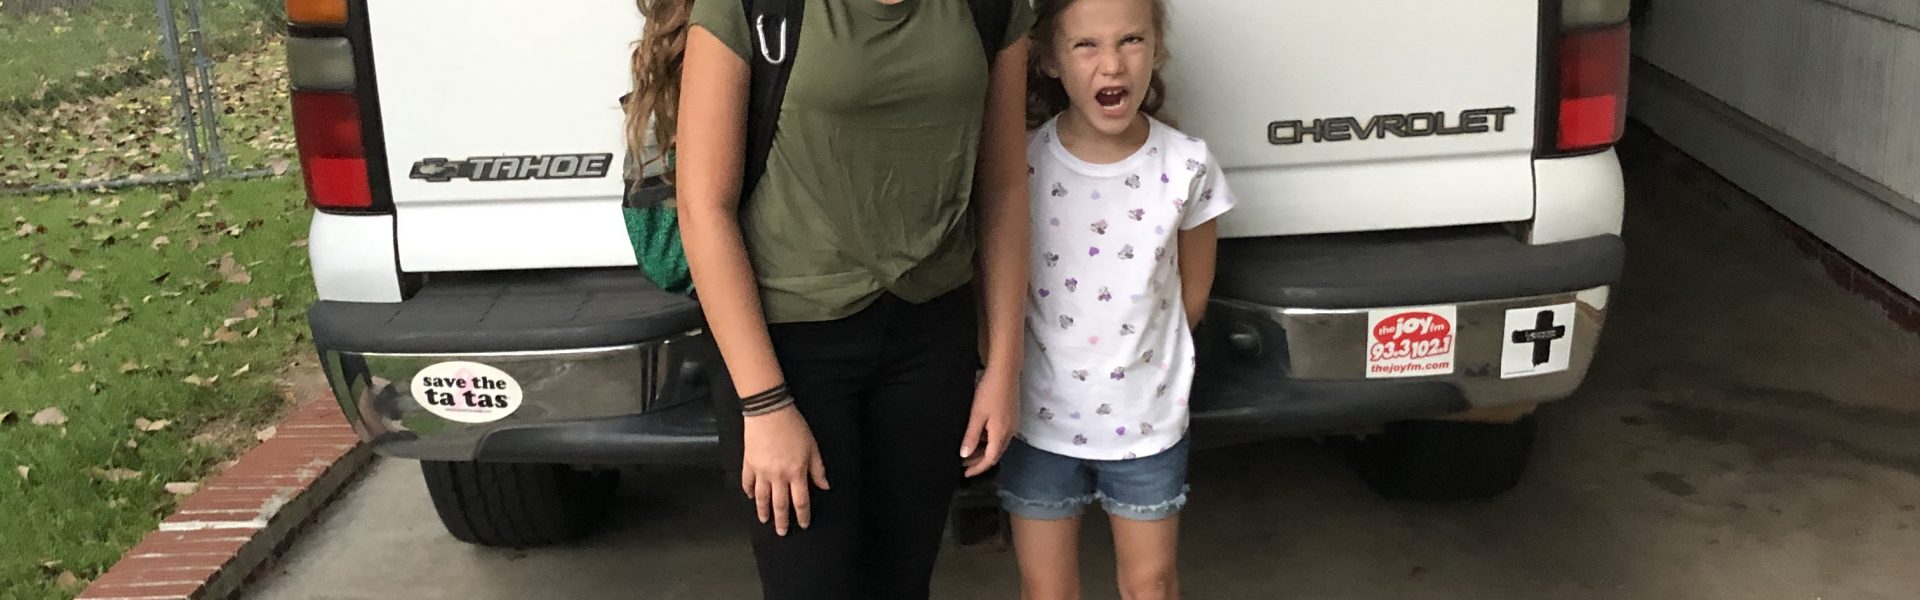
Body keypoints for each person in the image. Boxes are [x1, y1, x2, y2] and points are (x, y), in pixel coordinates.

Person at [625, 0, 1036, 597]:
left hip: (930, 337)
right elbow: (703, 207)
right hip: (788, 345)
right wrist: (764, 404)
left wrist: (1004, 367)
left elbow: (1002, 186)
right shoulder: (748, 6)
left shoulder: (993, 8)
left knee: (902, 582)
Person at [999, 0, 1235, 597]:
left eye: (1131, 40)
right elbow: (994, 288)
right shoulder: (1019, 165)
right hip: (1038, 421)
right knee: (1047, 589)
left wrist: (1142, 371)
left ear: (1157, 48)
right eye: (1086, 45)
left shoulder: (1186, 165)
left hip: (1145, 425)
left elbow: (1193, 292)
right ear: (1050, 60)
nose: (1112, 64)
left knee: (1150, 583)